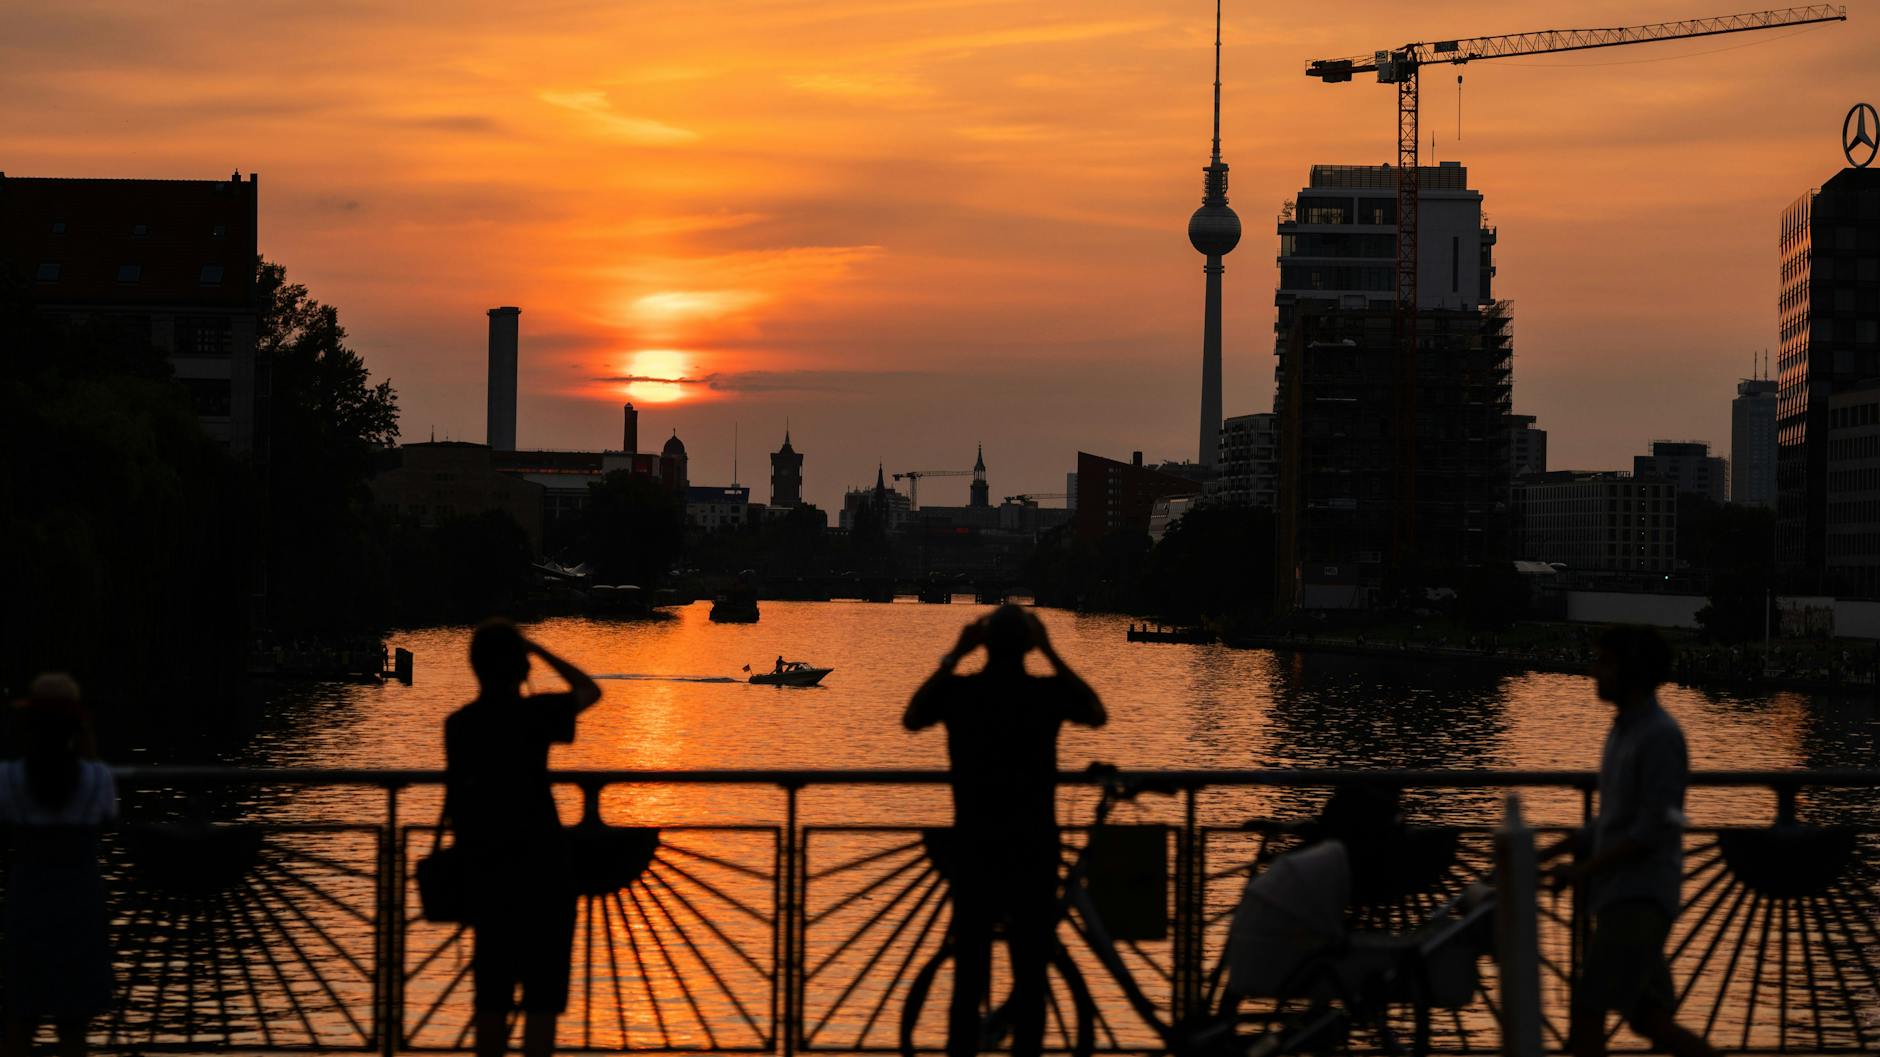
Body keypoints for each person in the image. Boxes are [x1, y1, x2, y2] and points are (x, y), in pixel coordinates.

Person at [904, 605, 1106, 1057]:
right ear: (1028, 648)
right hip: (1033, 851)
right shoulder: (1044, 695)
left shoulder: (961, 694)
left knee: (969, 975)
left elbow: (914, 717)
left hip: (975, 850)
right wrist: (1053, 653)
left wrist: (954, 655)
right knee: (1030, 977)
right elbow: (1095, 712)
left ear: (985, 645)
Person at [1543, 625, 1718, 1057]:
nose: (1593, 673)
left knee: (1587, 1012)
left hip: (1638, 899)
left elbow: (1652, 829)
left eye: (1604, 663)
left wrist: (1584, 868)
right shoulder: (1625, 730)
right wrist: (1556, 848)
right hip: (1623, 896)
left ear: (1632, 672)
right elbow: (1617, 819)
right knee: (1648, 1018)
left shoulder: (1658, 736)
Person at [445, 621, 602, 1057]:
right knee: (542, 1003)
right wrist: (541, 650)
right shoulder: (536, 715)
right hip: (545, 874)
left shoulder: (459, 725)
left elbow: (458, 801)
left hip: (489, 874)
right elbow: (589, 690)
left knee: (492, 1000)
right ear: (520, 668)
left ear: (475, 667)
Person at [0, 673, 117, 1057]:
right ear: (77, 724)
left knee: (21, 1015)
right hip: (79, 898)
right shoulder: (96, 778)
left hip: (28, 896)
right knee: (74, 1021)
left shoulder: (9, 777)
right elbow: (107, 815)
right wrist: (90, 747)